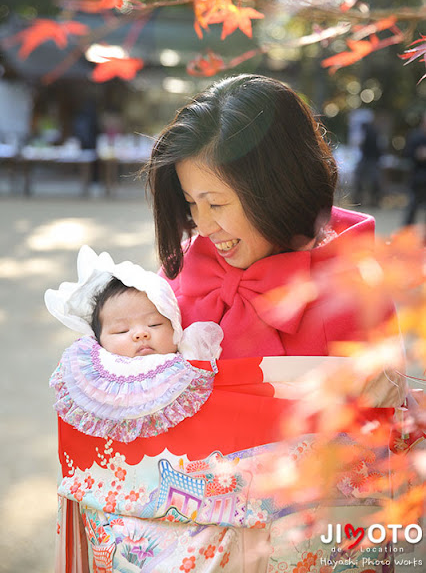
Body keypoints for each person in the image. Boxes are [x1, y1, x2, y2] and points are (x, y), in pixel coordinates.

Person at [52, 75, 406, 573]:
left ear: (278, 188)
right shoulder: (183, 275)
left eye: (217, 204)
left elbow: (373, 451)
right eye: (192, 205)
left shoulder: (349, 288)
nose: (204, 225)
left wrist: (382, 394)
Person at [46, 245, 223, 443]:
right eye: (122, 330)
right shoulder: (96, 376)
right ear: (99, 341)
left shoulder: (189, 361)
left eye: (154, 324)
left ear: (176, 328)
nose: (141, 333)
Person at [352, 118, 382, 207]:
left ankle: (358, 201)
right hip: (373, 160)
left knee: (359, 180)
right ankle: (374, 201)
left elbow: (362, 145)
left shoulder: (366, 132)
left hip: (367, 159)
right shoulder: (375, 132)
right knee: (374, 181)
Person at [403, 112, 426, 226]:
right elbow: (408, 153)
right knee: (413, 206)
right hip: (418, 178)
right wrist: (418, 155)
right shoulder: (415, 136)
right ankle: (406, 231)